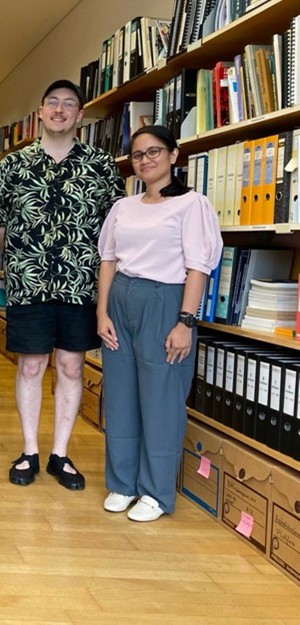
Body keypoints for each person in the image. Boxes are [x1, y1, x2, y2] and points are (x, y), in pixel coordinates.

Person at [0, 79, 125, 491]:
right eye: (53, 103)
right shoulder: (13, 165)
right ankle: (29, 450)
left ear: (80, 116)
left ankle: (60, 454)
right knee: (31, 366)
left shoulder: (100, 166)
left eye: (69, 104)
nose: (60, 110)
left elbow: (115, 231)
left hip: (81, 286)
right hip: (28, 284)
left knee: (70, 366)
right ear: (41, 112)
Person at [97, 124, 221, 521]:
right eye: (137, 155)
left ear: (173, 155)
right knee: (120, 396)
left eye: (154, 151)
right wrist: (101, 312)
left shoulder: (192, 205)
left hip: (164, 302)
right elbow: (109, 260)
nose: (145, 160)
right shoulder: (123, 207)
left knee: (162, 400)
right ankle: (123, 482)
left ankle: (155, 492)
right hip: (121, 301)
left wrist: (185, 321)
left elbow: (197, 267)